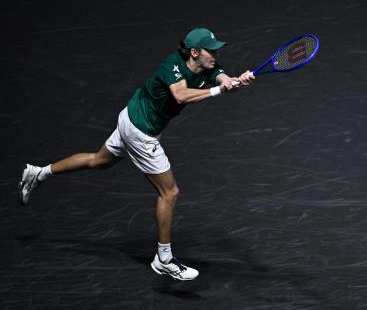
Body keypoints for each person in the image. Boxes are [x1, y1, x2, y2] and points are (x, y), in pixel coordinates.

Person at [18, 27, 256, 281]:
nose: (216, 55)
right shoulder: (172, 66)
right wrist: (220, 90)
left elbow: (222, 79)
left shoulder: (209, 67)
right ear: (194, 52)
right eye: (211, 50)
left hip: (129, 116)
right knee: (170, 193)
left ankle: (38, 173)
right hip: (141, 132)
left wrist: (234, 82)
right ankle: (163, 259)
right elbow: (181, 95)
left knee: (99, 161)